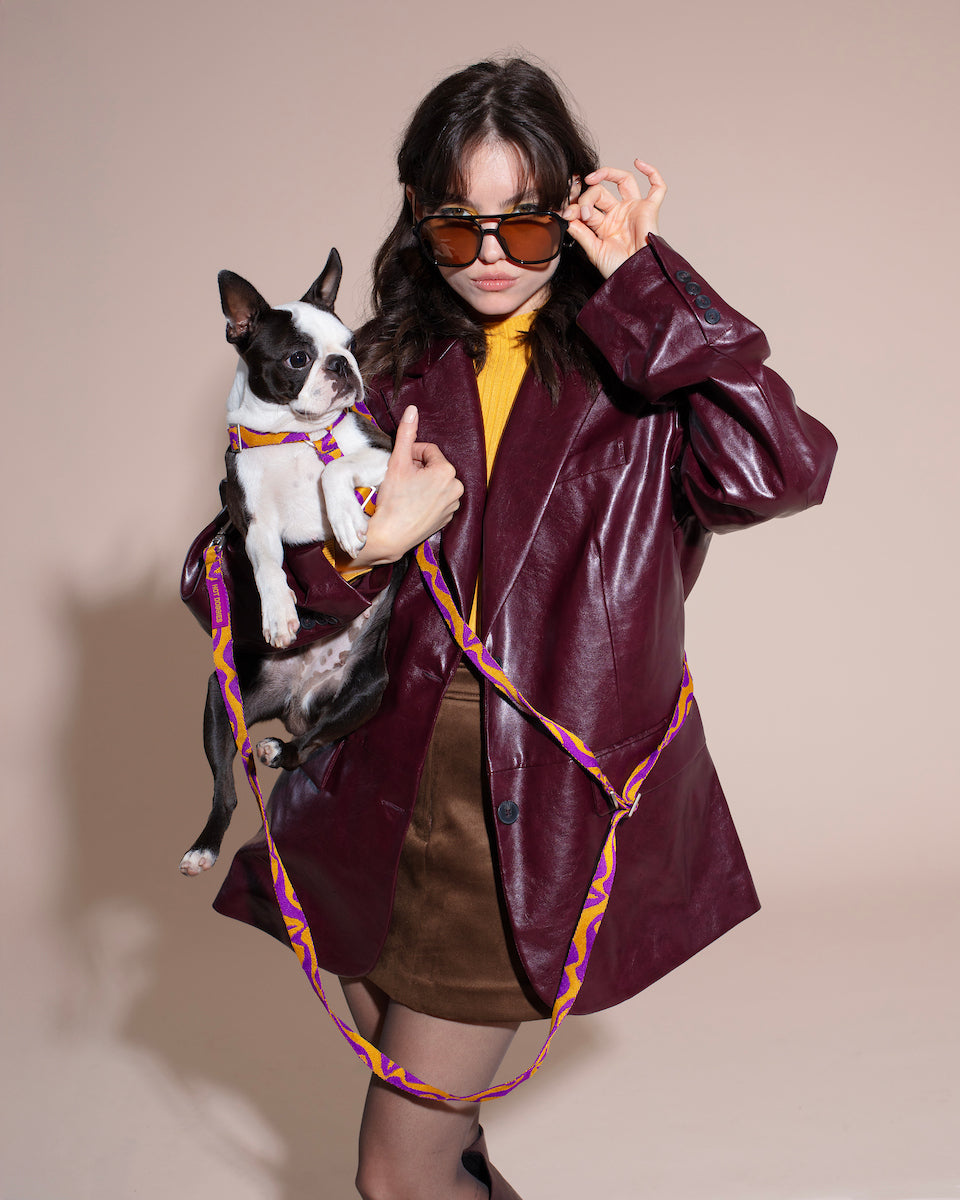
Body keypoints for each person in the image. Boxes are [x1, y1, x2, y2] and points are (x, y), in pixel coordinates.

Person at [212, 57, 837, 1199]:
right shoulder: (379, 370)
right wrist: (366, 547)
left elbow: (782, 469)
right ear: (419, 219)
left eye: (524, 228)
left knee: (398, 1175)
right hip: (372, 784)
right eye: (461, 232)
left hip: (528, 815)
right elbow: (252, 603)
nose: (493, 259)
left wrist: (648, 278)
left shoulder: (638, 367)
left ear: (571, 216)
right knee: (444, 1150)